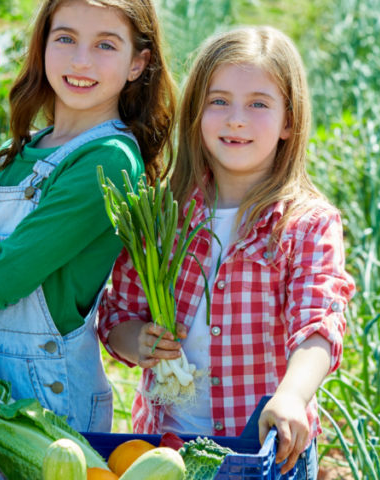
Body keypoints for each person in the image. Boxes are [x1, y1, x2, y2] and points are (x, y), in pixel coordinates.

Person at [0, 0, 175, 433]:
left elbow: (11, 273)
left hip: (51, 401)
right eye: (65, 38)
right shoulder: (18, 151)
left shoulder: (109, 160)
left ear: (137, 63)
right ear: (43, 46)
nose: (81, 59)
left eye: (105, 45)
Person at [99, 26, 355, 476]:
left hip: (264, 452)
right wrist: (137, 340)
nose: (236, 118)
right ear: (196, 113)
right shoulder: (164, 213)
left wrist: (293, 394)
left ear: (289, 121)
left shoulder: (306, 223)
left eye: (258, 104)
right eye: (219, 101)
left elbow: (318, 324)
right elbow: (118, 313)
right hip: (168, 448)